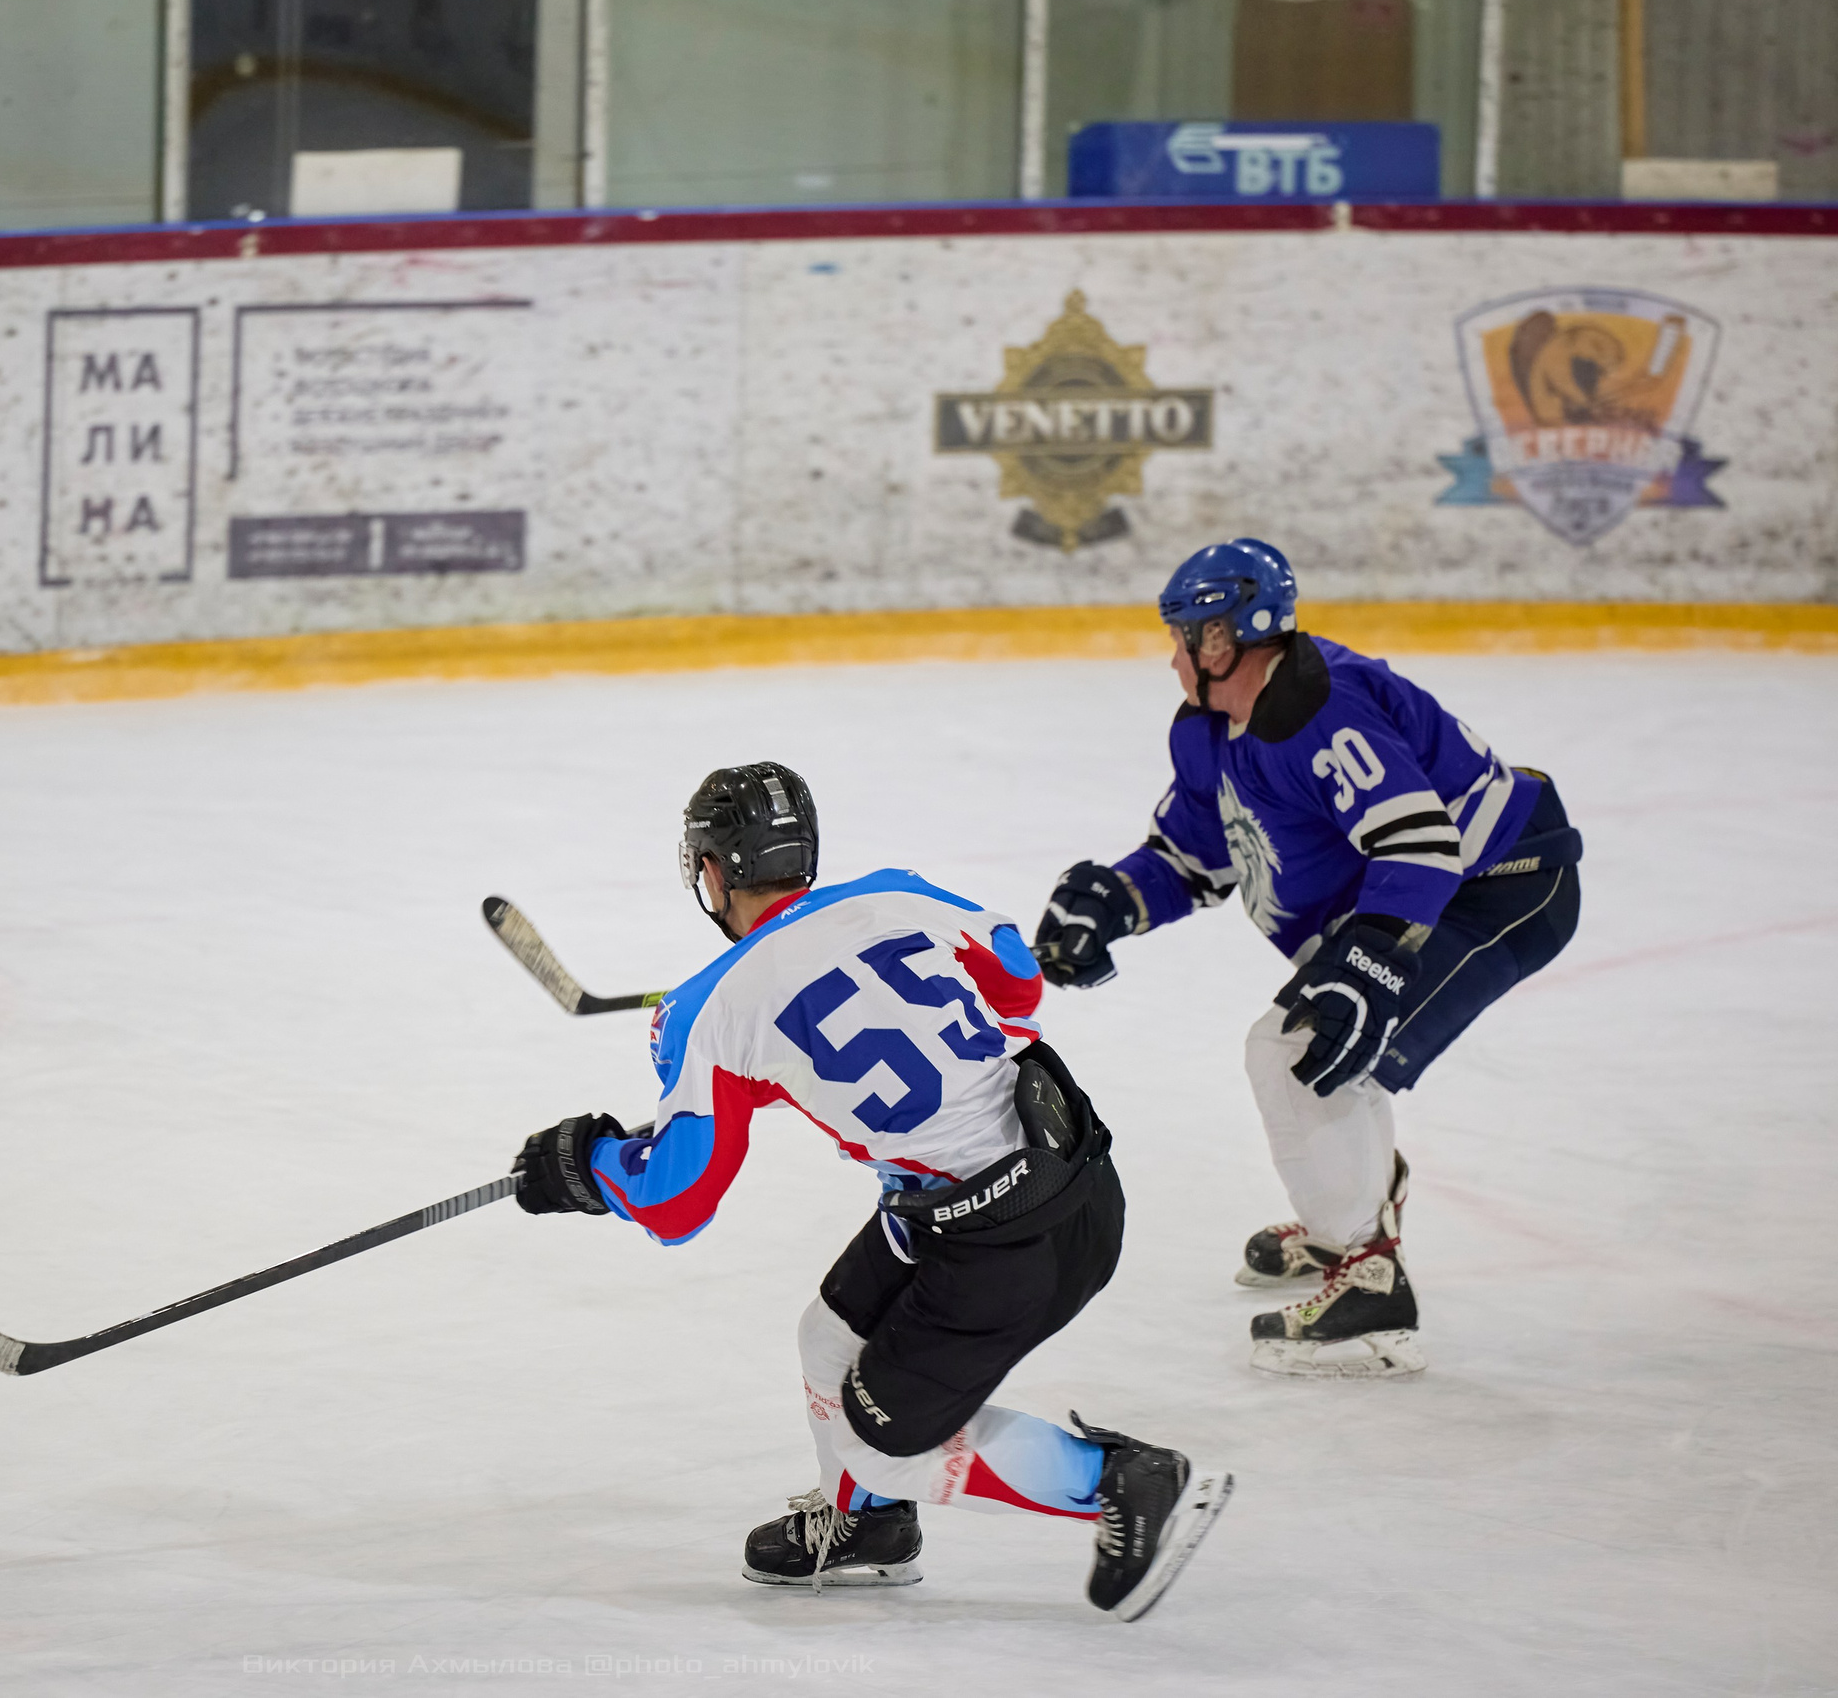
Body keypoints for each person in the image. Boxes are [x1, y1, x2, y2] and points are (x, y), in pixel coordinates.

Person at [509, 762, 1230, 1619]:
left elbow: (678, 1197)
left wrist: (588, 1164)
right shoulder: (897, 893)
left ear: (712, 870)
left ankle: (1118, 1479)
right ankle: (869, 1526)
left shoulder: (715, 1010)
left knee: (877, 1440)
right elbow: (1017, 987)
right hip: (1069, 1180)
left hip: (1000, 1246)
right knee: (829, 1337)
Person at [1033, 540, 1582, 1378]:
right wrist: (1116, 901)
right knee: (1322, 1046)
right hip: (1420, 892)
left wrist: (1373, 959)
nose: (1174, 654)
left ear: (1224, 640)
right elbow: (1195, 855)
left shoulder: (1323, 710)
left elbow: (1420, 842)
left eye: (1187, 635)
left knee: (1298, 1050)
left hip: (1497, 885)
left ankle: (1369, 1279)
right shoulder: (1210, 729)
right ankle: (1351, 1223)